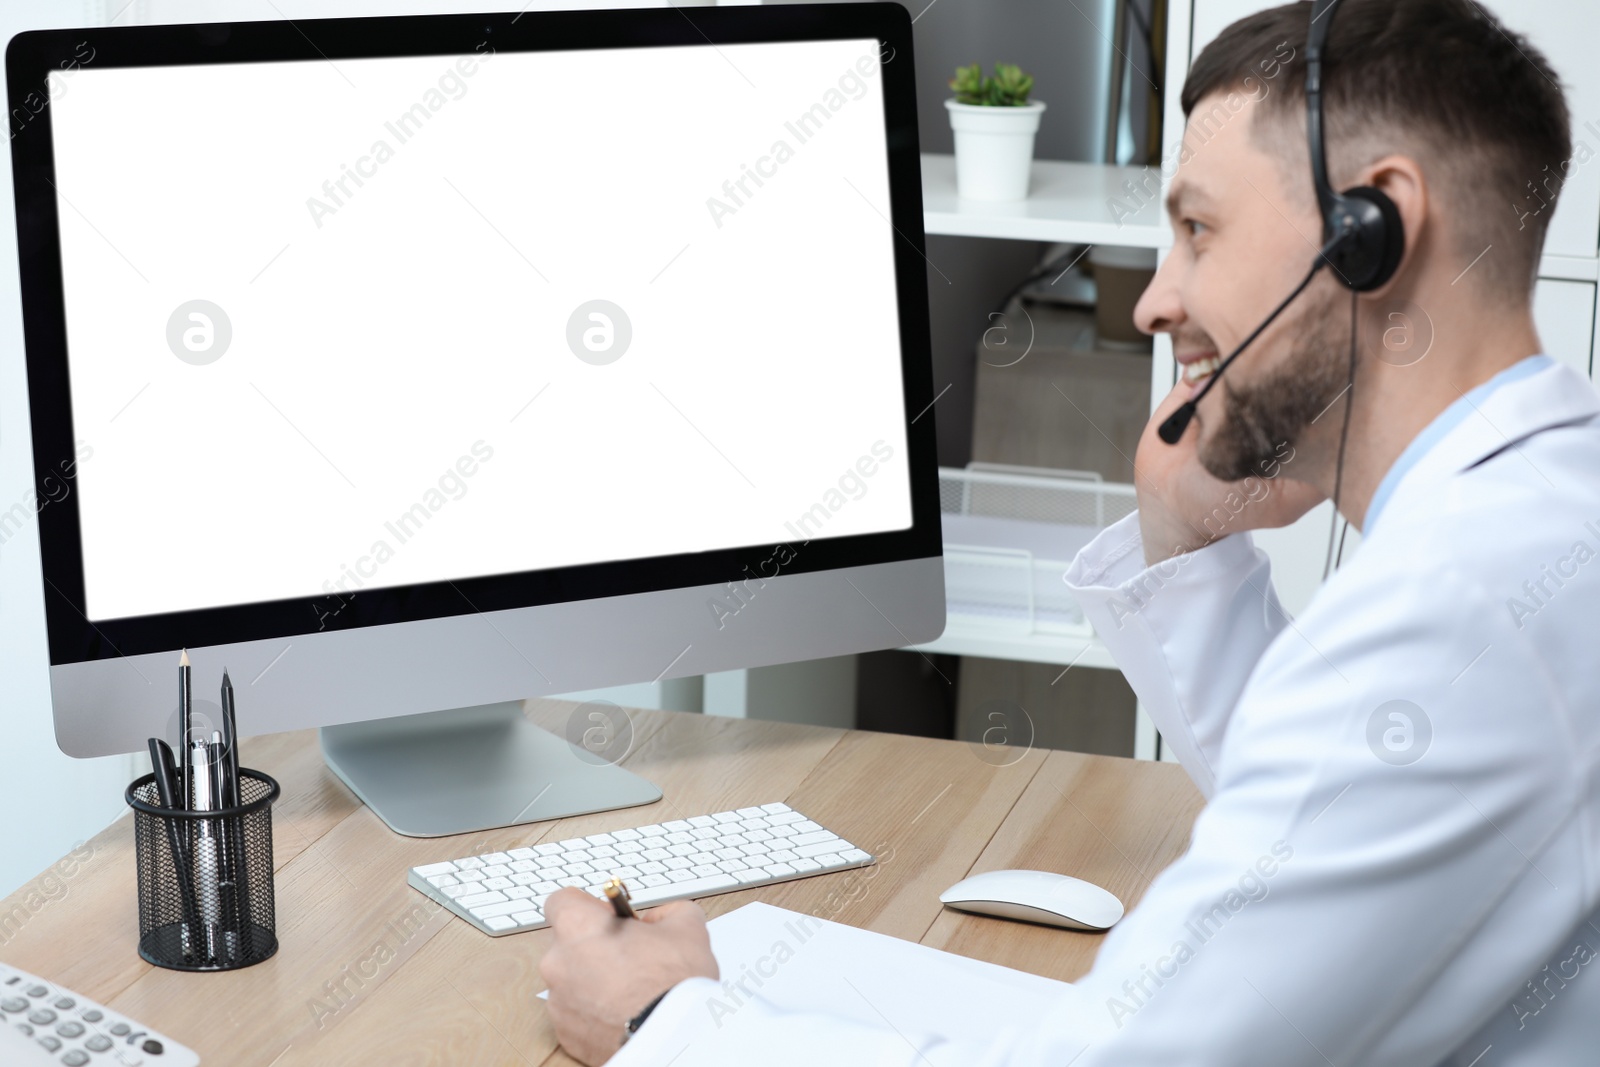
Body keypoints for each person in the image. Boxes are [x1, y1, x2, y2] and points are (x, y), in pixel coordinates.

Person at [538, 1, 1600, 1062]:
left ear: (1368, 230)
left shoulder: (1456, 609)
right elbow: (1325, 843)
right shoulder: (1537, 518)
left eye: (1197, 230)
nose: (1154, 301)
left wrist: (664, 1022)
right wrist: (1183, 536)